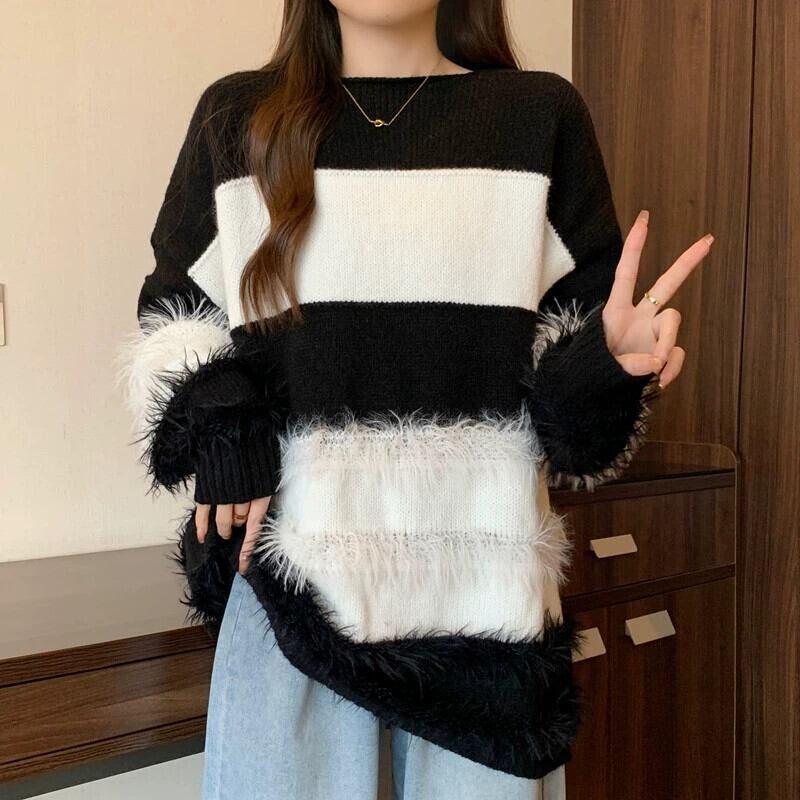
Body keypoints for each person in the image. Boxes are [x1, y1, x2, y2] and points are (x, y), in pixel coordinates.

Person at [117, 1, 711, 798]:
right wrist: (225, 426)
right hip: (292, 597)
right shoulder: (238, 120)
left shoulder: (538, 117)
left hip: (484, 614)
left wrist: (605, 369)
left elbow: (572, 425)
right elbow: (175, 318)